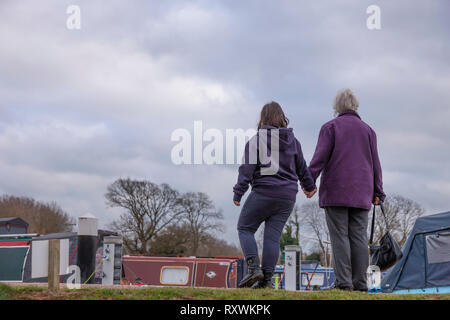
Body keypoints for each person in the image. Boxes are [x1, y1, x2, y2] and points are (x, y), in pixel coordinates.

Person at [307, 88, 385, 291]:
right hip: (362, 192)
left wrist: (308, 182)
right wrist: (378, 192)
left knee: (339, 236)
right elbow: (375, 163)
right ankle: (360, 283)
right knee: (359, 236)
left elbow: (319, 158)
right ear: (356, 106)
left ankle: (344, 283)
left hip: (336, 191)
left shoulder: (330, 127)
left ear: (337, 107)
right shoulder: (368, 131)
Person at [233, 101, 317, 289]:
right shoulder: (293, 141)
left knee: (245, 228)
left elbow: (246, 169)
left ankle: (254, 270)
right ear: (281, 118)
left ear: (262, 118)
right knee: (272, 237)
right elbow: (302, 167)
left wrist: (238, 192)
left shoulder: (256, 140)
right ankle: (267, 280)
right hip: (287, 196)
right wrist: (310, 186)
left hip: (263, 191)